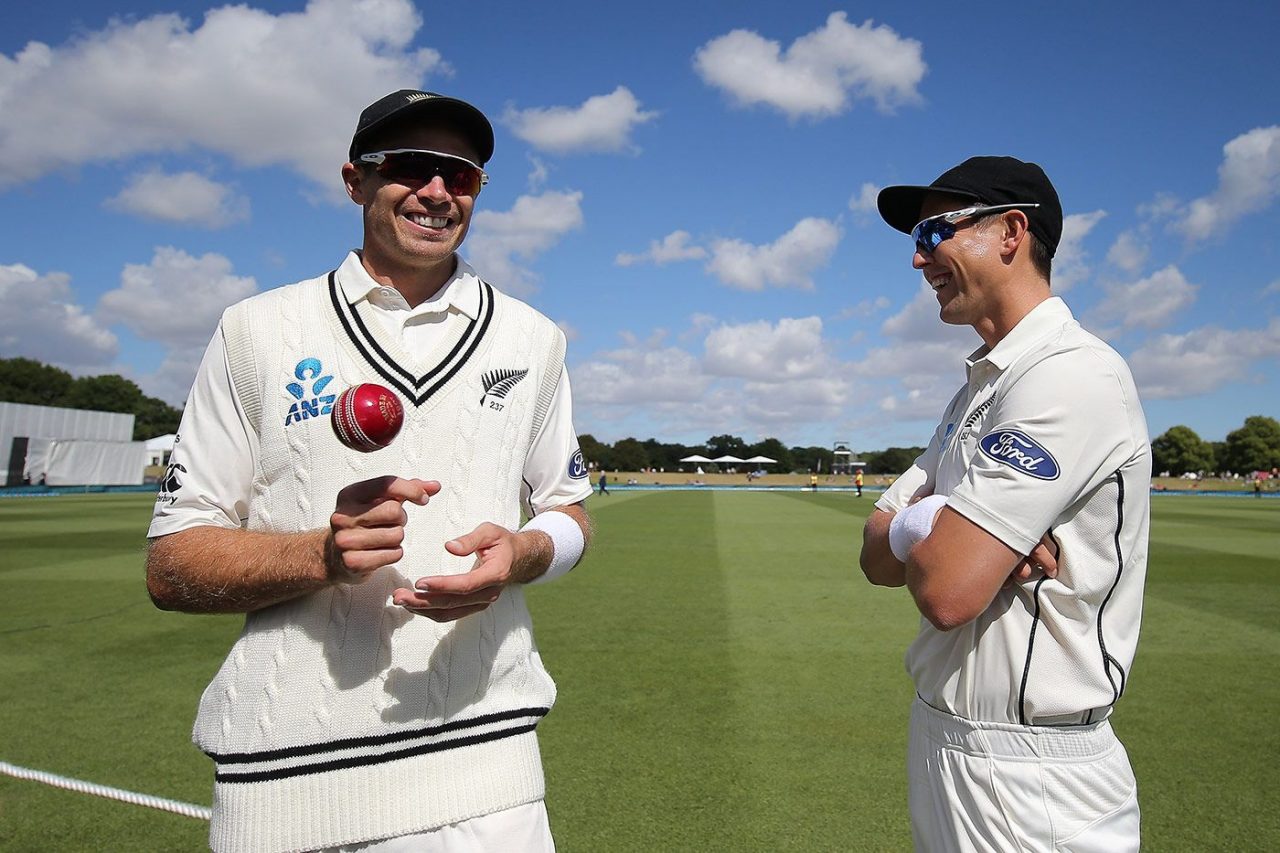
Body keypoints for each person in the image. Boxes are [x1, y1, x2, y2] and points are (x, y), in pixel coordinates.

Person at [145, 90, 594, 853]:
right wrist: (320, 553)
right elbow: (172, 565)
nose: (437, 190)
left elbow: (569, 511)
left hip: (493, 771)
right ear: (355, 181)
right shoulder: (256, 329)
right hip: (291, 783)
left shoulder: (534, 338)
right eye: (411, 167)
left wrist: (521, 554)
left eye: (462, 175)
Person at [859, 156, 1150, 852]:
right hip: (948, 739)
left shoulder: (1069, 374)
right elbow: (875, 550)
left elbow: (948, 589)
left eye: (934, 233)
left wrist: (931, 530)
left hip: (1031, 770)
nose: (918, 258)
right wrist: (932, 521)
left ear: (1012, 231)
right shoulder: (981, 387)